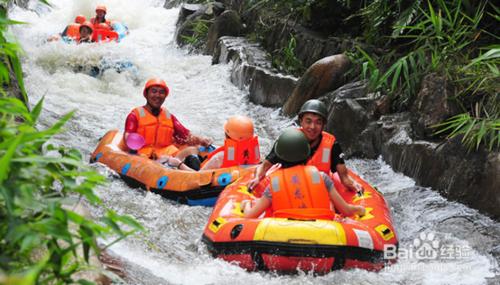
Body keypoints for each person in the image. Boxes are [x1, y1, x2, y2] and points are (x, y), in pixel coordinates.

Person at [242, 129, 365, 219]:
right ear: (307, 155)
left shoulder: (274, 185)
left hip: (283, 236)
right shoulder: (322, 178)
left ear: (279, 157)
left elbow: (250, 216)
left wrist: (246, 205)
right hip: (323, 234)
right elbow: (347, 210)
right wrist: (360, 209)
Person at [248, 99, 362, 193]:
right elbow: (265, 166)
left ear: (323, 125)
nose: (312, 127)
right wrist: (257, 177)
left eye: (318, 122)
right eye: (308, 121)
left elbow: (344, 177)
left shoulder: (332, 145)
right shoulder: (289, 140)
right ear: (301, 121)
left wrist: (355, 186)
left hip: (318, 190)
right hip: (290, 189)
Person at [124, 78, 212, 170]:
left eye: (161, 92)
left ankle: (203, 175)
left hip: (166, 153)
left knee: (192, 157)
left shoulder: (168, 116)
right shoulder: (135, 115)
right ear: (146, 94)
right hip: (144, 155)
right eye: (154, 91)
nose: (157, 95)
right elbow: (128, 136)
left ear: (165, 96)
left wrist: (202, 141)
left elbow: (186, 136)